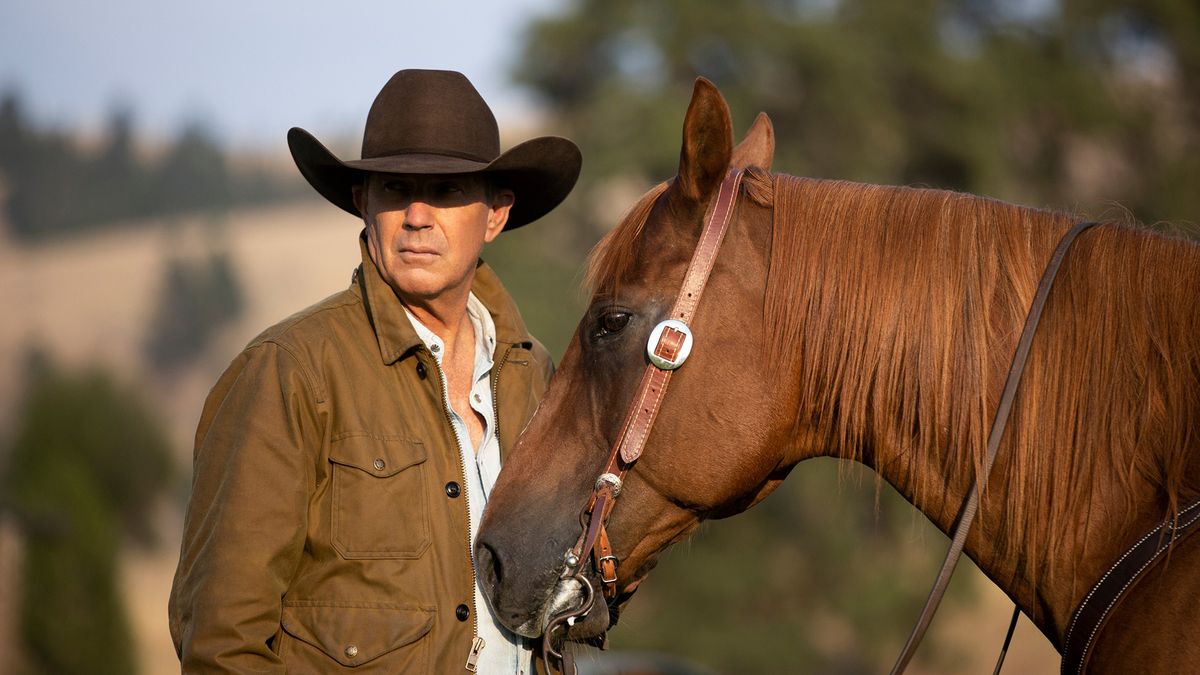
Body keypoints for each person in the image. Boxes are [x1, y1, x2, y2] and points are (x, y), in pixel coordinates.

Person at [168, 69, 580, 673]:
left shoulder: (536, 375)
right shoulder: (289, 373)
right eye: (394, 188)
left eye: (445, 191)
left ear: (495, 214)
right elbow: (222, 641)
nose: (416, 214)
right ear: (364, 204)